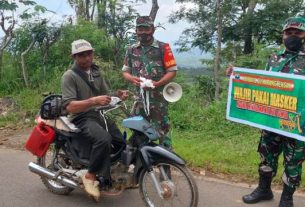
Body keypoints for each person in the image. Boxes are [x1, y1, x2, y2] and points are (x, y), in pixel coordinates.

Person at [227, 16, 305, 207]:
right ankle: (264, 189)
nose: (293, 36)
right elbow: (260, 83)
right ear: (283, 35)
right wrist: (236, 76)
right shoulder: (274, 58)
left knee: (293, 162)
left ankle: (286, 198)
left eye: (298, 32)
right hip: (271, 121)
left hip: (297, 124)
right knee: (266, 155)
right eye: (289, 32)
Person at [61, 39, 128, 201]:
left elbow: (106, 93)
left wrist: (117, 95)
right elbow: (70, 107)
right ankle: (90, 176)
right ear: (74, 57)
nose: (87, 58)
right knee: (104, 139)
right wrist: (93, 101)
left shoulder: (96, 72)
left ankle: (110, 172)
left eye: (89, 53)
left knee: (121, 142)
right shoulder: (69, 76)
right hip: (81, 117)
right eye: (81, 55)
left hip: (98, 114)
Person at [122, 16, 178, 148]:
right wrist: (132, 79)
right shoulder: (131, 50)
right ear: (136, 30)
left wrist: (158, 84)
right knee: (138, 131)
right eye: (140, 29)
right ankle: (139, 162)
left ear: (152, 29)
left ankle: (166, 164)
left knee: (163, 132)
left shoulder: (163, 48)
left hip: (159, 101)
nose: (142, 32)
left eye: (146, 28)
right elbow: (125, 72)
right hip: (139, 100)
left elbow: (172, 71)